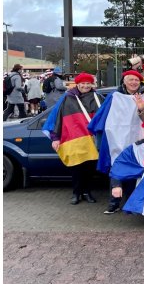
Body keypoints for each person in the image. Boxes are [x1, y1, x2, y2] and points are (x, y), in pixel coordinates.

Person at [88, 70, 144, 214]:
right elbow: (102, 116)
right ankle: (114, 202)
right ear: (124, 81)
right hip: (116, 137)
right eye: (130, 79)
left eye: (136, 80)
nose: (134, 82)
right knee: (116, 167)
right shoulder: (113, 96)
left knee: (135, 167)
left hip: (137, 137)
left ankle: (131, 201)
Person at [43, 72, 103, 205]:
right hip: (74, 138)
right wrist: (55, 137)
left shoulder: (97, 97)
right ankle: (76, 193)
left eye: (88, 83)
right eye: (83, 83)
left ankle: (87, 192)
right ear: (78, 84)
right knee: (76, 168)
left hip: (92, 140)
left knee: (89, 168)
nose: (86, 86)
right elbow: (59, 118)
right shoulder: (68, 98)